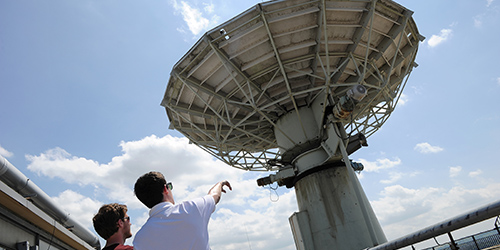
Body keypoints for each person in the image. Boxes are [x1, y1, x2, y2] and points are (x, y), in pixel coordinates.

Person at [132, 171, 232, 250]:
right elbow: (214, 195)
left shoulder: (140, 239)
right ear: (165, 189)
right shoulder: (192, 209)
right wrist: (220, 183)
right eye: (169, 186)